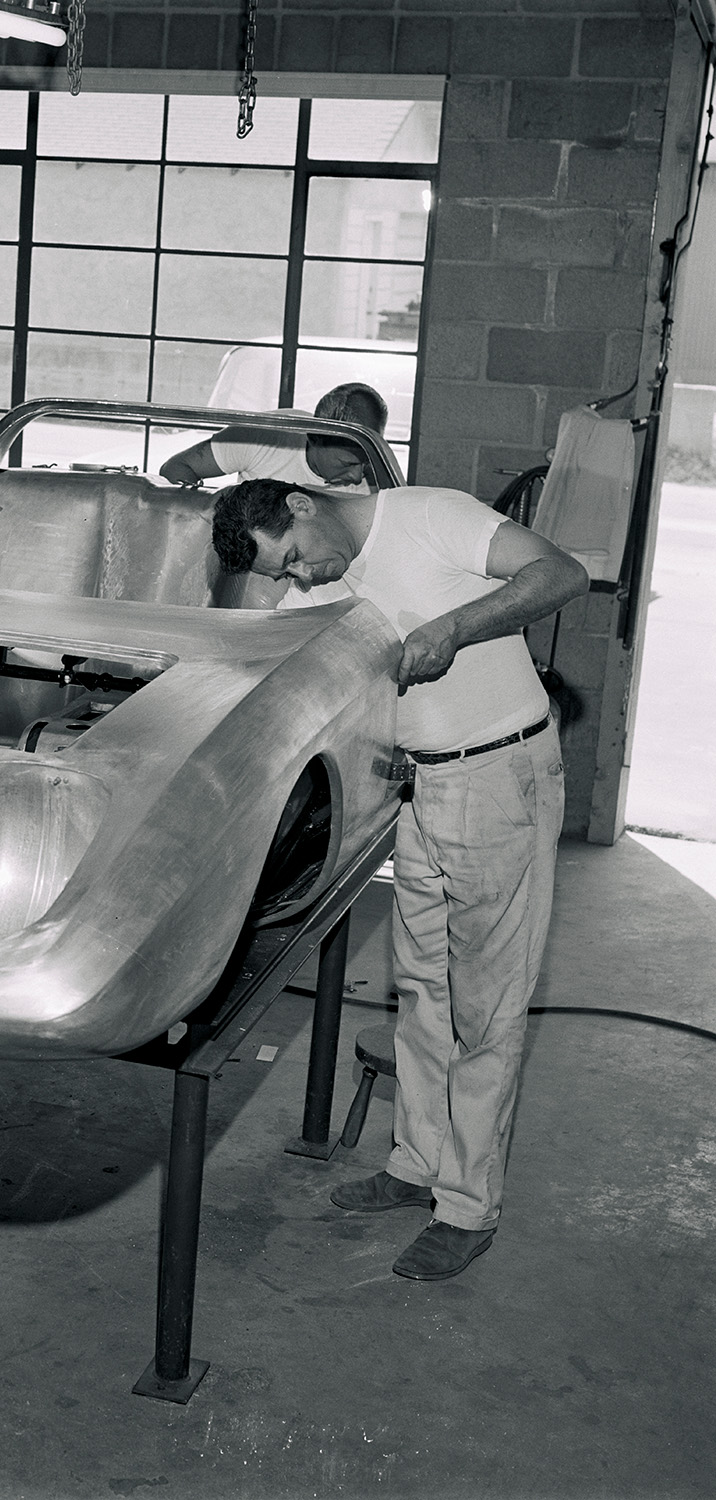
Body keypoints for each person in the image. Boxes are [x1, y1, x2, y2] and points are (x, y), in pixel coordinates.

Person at [209, 476, 588, 1280]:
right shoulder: (316, 586)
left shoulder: (428, 519)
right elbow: (276, 674)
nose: (299, 578)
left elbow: (561, 574)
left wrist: (454, 627)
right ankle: (416, 1165)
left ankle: (468, 1207)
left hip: (498, 777)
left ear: (305, 508)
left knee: (487, 1006)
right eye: (284, 573)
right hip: (413, 787)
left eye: (297, 559)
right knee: (423, 991)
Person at [160, 382, 389, 491]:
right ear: (314, 438)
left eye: (365, 464)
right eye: (347, 463)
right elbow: (176, 468)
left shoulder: (375, 482)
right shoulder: (262, 436)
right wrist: (213, 516)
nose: (358, 476)